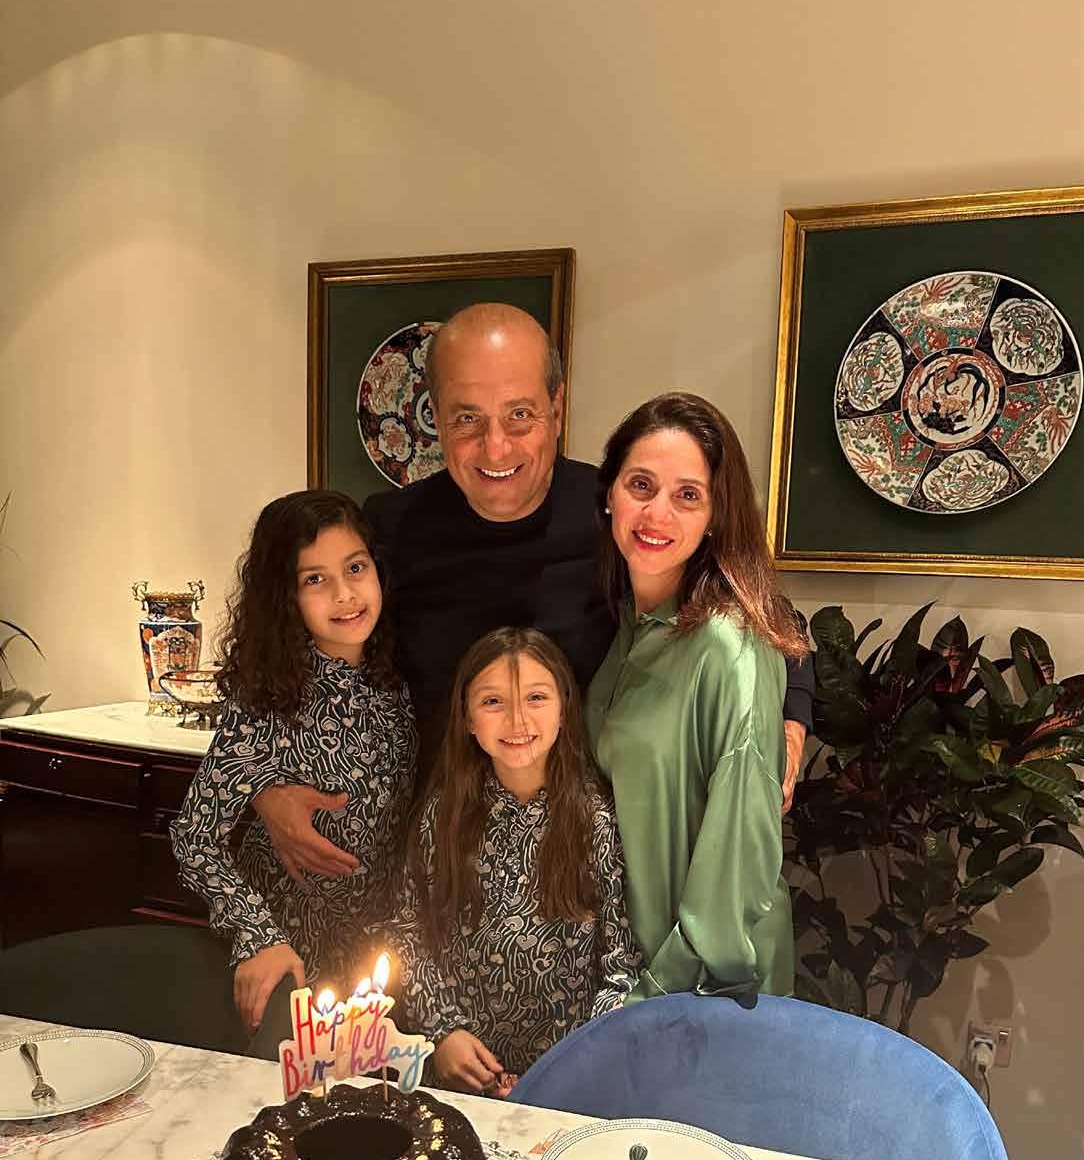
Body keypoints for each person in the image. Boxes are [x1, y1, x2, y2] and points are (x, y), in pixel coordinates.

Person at [251, 304, 813, 879]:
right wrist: (261, 785)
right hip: (434, 859)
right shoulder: (391, 526)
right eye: (467, 419)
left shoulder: (616, 514)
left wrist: (790, 723)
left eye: (519, 415)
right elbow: (283, 645)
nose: (496, 448)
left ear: (557, 407)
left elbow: (763, 614)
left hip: (583, 863)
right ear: (435, 417)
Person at [585, 392, 809, 1001]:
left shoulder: (729, 647)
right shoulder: (627, 625)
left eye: (688, 495)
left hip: (702, 987)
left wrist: (656, 996)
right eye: (641, 485)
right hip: (628, 967)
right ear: (609, 494)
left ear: (715, 515)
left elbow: (738, 870)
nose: (657, 513)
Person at [171, 491, 416, 1038]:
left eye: (355, 568)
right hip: (292, 967)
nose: (345, 593)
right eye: (315, 579)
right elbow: (194, 837)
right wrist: (258, 936)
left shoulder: (394, 682)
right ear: (285, 596)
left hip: (378, 966)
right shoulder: (268, 700)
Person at [389, 625, 641, 1094]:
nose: (517, 719)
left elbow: (622, 965)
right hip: (462, 1075)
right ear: (467, 717)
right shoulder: (443, 816)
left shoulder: (596, 821)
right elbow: (408, 931)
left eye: (536, 698)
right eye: (493, 702)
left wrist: (572, 1066)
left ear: (565, 707)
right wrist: (444, 1032)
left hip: (567, 1081)